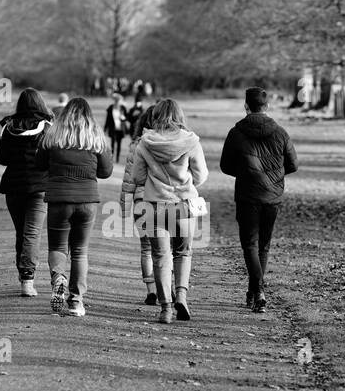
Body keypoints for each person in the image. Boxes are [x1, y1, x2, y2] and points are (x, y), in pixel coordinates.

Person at [127, 98, 207, 323]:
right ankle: (181, 295)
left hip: (154, 206)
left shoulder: (145, 142)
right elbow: (201, 176)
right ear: (179, 116)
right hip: (183, 206)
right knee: (183, 253)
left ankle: (166, 309)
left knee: (161, 256)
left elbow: (138, 178)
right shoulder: (191, 141)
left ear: (156, 117)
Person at [219, 86, 298, 312]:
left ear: (246, 106)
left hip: (247, 195)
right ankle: (255, 292)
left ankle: (258, 291)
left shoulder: (236, 132)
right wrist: (274, 176)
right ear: (267, 107)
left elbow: (225, 166)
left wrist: (245, 172)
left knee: (250, 245)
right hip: (272, 197)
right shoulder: (281, 132)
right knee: (263, 245)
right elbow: (293, 164)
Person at [34, 97, 114, 317]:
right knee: (79, 251)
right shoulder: (96, 137)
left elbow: (39, 164)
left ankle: (58, 278)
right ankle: (76, 302)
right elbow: (105, 172)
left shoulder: (52, 136)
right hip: (87, 201)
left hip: (59, 200)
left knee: (58, 248)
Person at [0, 88, 54, 296]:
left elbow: (0, 157)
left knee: (22, 232)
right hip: (39, 187)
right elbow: (53, 157)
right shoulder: (47, 128)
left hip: (14, 186)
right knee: (32, 233)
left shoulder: (9, 127)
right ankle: (27, 278)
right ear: (40, 104)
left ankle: (23, 274)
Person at [119, 103, 157, 305]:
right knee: (166, 248)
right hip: (166, 202)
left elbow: (129, 180)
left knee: (147, 248)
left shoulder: (137, 145)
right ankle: (166, 288)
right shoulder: (172, 144)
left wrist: (124, 208)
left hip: (141, 201)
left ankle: (151, 289)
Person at [103, 91, 127, 161]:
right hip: (113, 128)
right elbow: (107, 119)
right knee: (112, 143)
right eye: (116, 100)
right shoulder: (111, 108)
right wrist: (105, 128)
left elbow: (126, 118)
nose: (117, 102)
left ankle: (117, 158)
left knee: (119, 144)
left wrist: (123, 118)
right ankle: (112, 157)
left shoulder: (123, 108)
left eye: (118, 100)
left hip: (120, 128)